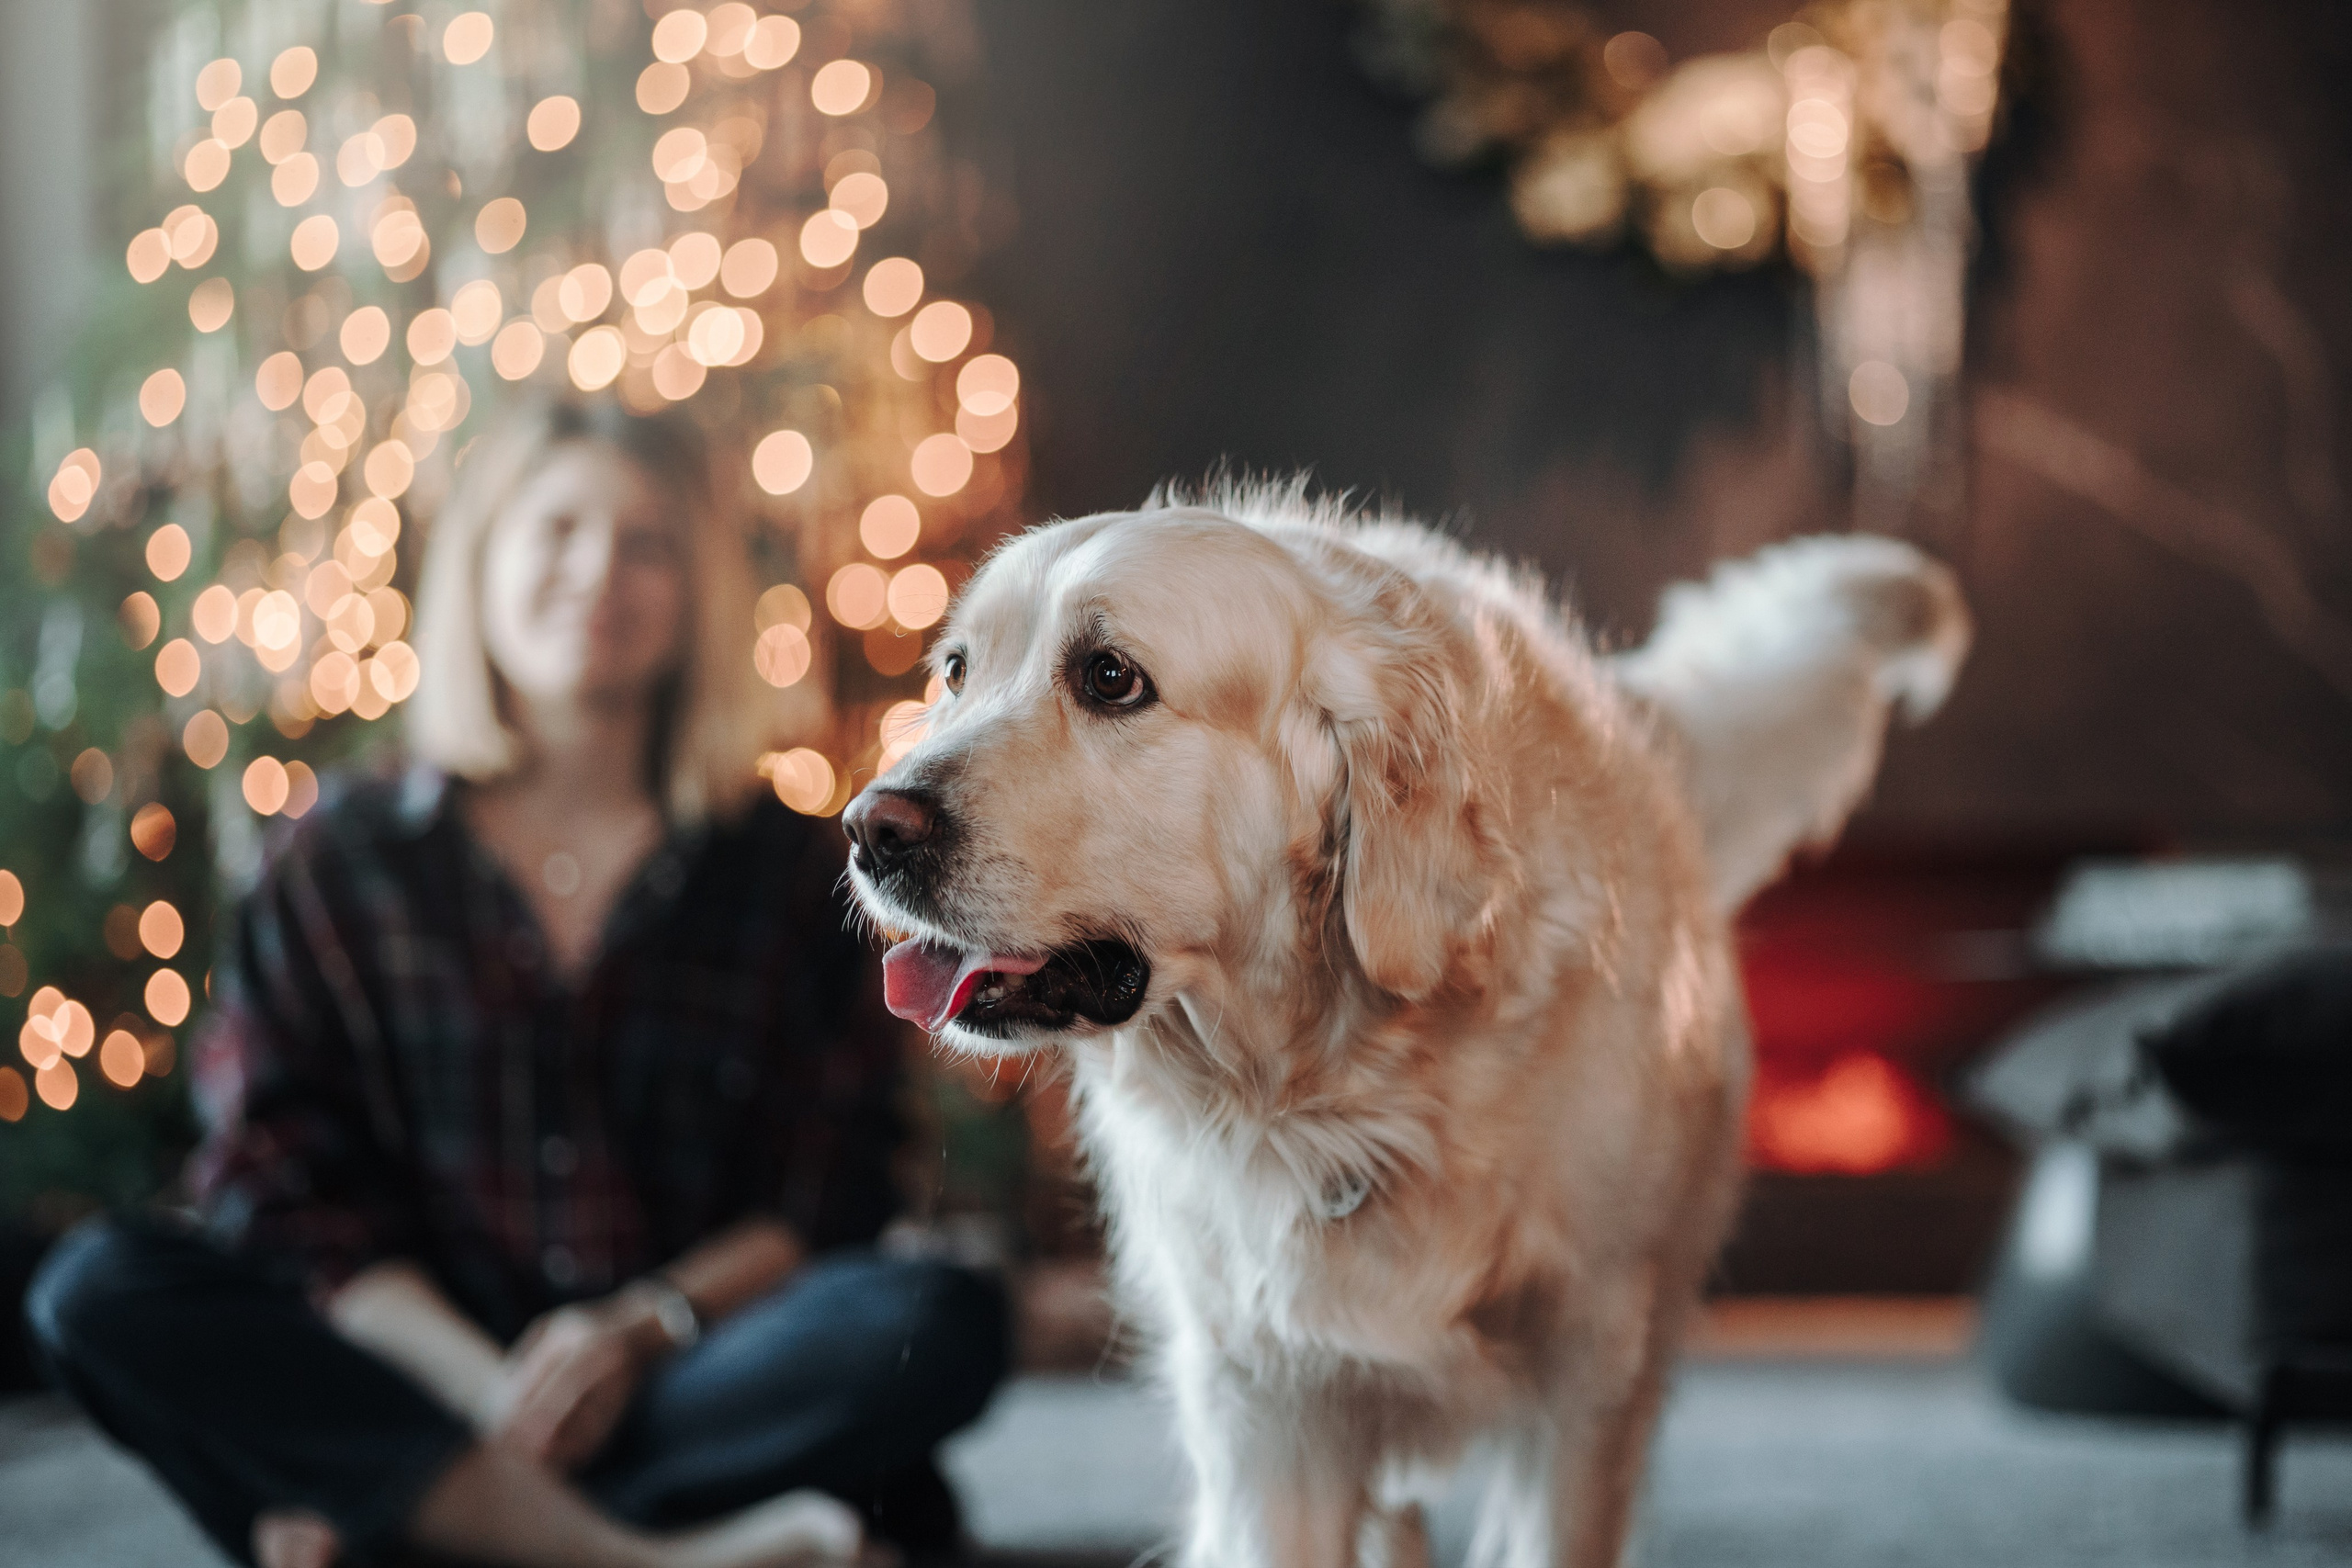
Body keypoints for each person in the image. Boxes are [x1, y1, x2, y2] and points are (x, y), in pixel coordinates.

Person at [25, 400, 1008, 1568]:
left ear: (695, 588)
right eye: (556, 531)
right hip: (417, 1369)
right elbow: (281, 1190)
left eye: (645, 542)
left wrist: (629, 1335)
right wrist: (500, 1394)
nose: (599, 572)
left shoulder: (788, 869)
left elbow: (824, 1194)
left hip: (678, 1363)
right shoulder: (342, 856)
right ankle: (641, 1552)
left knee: (936, 1318)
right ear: (482, 569)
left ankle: (423, 1522)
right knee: (95, 1289)